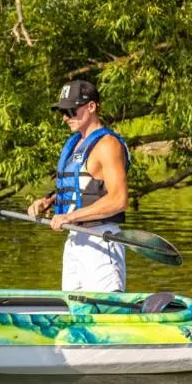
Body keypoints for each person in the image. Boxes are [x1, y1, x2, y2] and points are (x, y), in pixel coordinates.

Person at [26, 80, 130, 291]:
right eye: (62, 112)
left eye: (72, 110)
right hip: (74, 240)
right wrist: (48, 202)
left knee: (104, 314)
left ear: (91, 107)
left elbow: (119, 199)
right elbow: (81, 185)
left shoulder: (108, 145)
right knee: (74, 312)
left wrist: (70, 216)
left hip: (101, 240)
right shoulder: (76, 144)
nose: (66, 117)